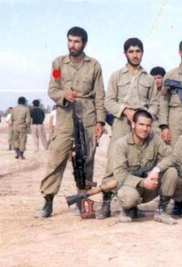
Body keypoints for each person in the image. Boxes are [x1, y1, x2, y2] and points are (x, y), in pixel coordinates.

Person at [36, 26, 106, 218]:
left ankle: (82, 200)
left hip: (88, 116)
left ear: (84, 43)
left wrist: (100, 121)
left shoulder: (94, 65)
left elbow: (100, 94)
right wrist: (63, 95)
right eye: (70, 40)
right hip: (65, 117)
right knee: (56, 158)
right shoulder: (58, 64)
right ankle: (48, 202)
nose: (72, 45)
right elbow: (53, 89)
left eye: (76, 41)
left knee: (86, 160)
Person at [101, 38, 158, 218]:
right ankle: (106, 202)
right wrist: (126, 112)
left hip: (142, 127)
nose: (135, 55)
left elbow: (155, 104)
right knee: (113, 163)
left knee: (139, 163)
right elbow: (108, 102)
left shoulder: (149, 79)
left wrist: (142, 117)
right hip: (121, 125)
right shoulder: (116, 76)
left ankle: (132, 203)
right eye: (131, 51)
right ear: (125, 53)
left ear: (142, 53)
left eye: (138, 51)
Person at [112, 109, 180, 224]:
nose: (145, 129)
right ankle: (128, 209)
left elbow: (172, 156)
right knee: (129, 198)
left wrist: (156, 170)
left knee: (171, 171)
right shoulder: (121, 144)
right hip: (132, 186)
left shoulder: (155, 138)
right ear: (133, 124)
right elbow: (120, 175)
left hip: (151, 186)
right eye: (141, 124)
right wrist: (143, 183)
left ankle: (161, 211)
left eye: (148, 125)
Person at [150, 66, 166, 135]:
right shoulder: (149, 92)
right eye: (154, 78)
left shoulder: (168, 92)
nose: (156, 81)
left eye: (159, 78)